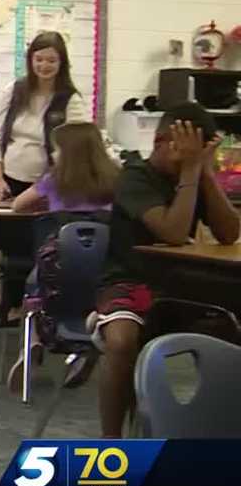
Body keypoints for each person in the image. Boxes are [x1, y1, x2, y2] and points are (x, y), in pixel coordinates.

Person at [93, 103, 239, 438]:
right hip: (128, 282)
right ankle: (112, 442)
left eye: (197, 152)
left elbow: (229, 233)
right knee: (122, 341)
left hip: (180, 285)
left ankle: (221, 431)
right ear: (160, 142)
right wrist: (190, 173)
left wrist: (204, 174)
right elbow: (172, 232)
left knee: (232, 324)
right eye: (181, 151)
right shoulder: (134, 177)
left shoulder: (193, 175)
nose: (186, 159)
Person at [6, 121, 119, 392]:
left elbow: (17, 205)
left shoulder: (55, 180)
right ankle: (85, 349)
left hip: (58, 267)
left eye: (56, 149)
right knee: (89, 304)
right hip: (106, 268)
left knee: (35, 284)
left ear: (68, 152)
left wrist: (48, 202)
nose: (53, 155)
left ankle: (31, 342)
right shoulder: (117, 178)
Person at [0, 31, 92, 201]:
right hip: (10, 181)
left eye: (51, 60)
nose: (44, 65)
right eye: (39, 59)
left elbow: (80, 149)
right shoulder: (14, 90)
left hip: (51, 185)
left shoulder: (70, 99)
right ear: (31, 60)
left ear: (61, 63)